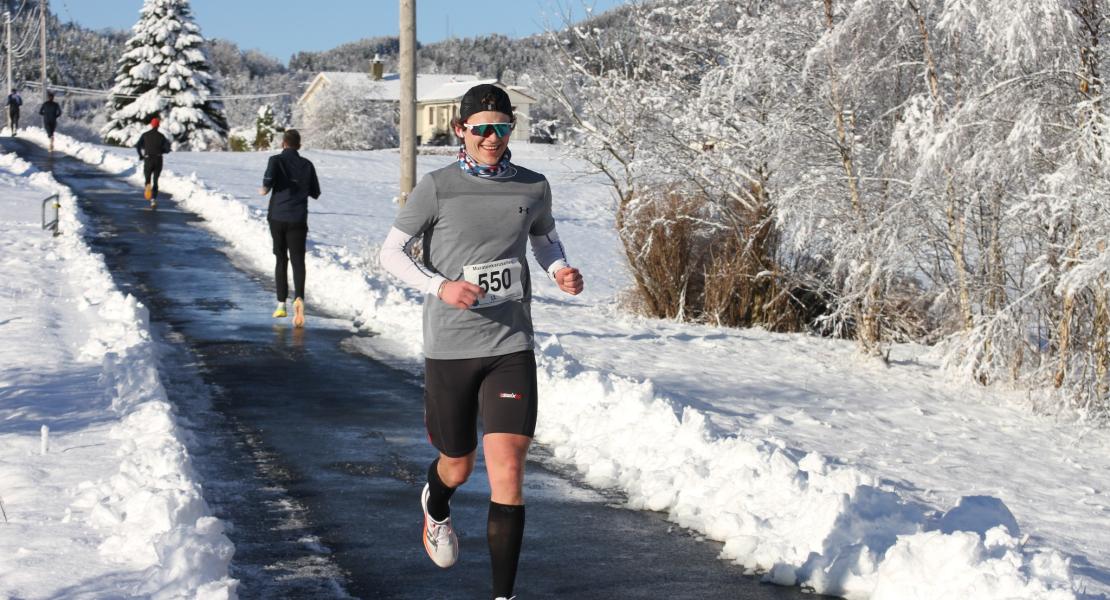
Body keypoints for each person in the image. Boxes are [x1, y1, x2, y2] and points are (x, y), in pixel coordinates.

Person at [378, 83, 584, 600]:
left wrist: (559, 268)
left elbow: (543, 237)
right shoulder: (438, 187)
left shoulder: (532, 186)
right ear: (461, 131)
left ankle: (502, 595)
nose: (493, 138)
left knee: (509, 470)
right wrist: (439, 286)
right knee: (459, 464)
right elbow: (391, 253)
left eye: (502, 127)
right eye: (482, 128)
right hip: (451, 346)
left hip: (511, 343)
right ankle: (436, 505)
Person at [259, 129, 319, 328]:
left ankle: (281, 304)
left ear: (283, 143)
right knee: (298, 260)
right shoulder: (307, 165)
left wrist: (265, 189)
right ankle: (299, 297)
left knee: (281, 258)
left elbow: (267, 182)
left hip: (277, 217)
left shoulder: (275, 160)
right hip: (298, 218)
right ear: (299, 145)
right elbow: (315, 192)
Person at [135, 117, 171, 207]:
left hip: (148, 158)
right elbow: (167, 149)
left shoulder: (145, 135)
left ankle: (148, 185)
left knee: (148, 177)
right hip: (158, 159)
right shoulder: (161, 136)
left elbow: (138, 145)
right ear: (158, 125)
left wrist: (140, 155)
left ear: (151, 125)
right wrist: (161, 151)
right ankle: (153, 200)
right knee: (156, 180)